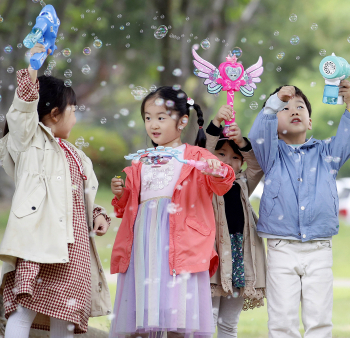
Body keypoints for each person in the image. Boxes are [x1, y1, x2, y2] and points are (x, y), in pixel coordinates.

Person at [0, 44, 111, 338]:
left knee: (66, 315)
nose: (75, 118)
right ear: (53, 113)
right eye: (73, 111)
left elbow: (81, 196)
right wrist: (34, 65)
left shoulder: (77, 155)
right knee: (24, 308)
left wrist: (98, 214)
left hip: (72, 248)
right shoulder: (28, 142)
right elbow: (22, 109)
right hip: (39, 242)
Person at [108, 86, 235, 338]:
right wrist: (122, 195)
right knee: (143, 311)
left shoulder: (197, 156)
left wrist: (215, 170)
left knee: (178, 313)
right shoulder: (140, 160)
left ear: (182, 121)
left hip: (180, 243)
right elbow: (130, 207)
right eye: (147, 117)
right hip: (144, 244)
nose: (153, 124)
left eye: (161, 117)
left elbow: (224, 182)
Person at [249, 83, 350, 338]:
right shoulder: (270, 154)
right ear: (274, 124)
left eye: (300, 106)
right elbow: (258, 133)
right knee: (281, 320)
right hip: (281, 247)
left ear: (310, 122)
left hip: (319, 247)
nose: (293, 110)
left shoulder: (327, 154)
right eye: (285, 107)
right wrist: (274, 100)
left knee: (319, 319)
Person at [204, 104, 267, 337]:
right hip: (213, 255)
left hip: (238, 255)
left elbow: (257, 166)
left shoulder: (242, 184)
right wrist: (217, 122)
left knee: (229, 323)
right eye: (221, 154)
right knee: (208, 318)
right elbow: (203, 151)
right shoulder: (205, 181)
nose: (228, 161)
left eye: (234, 157)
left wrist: (241, 141)